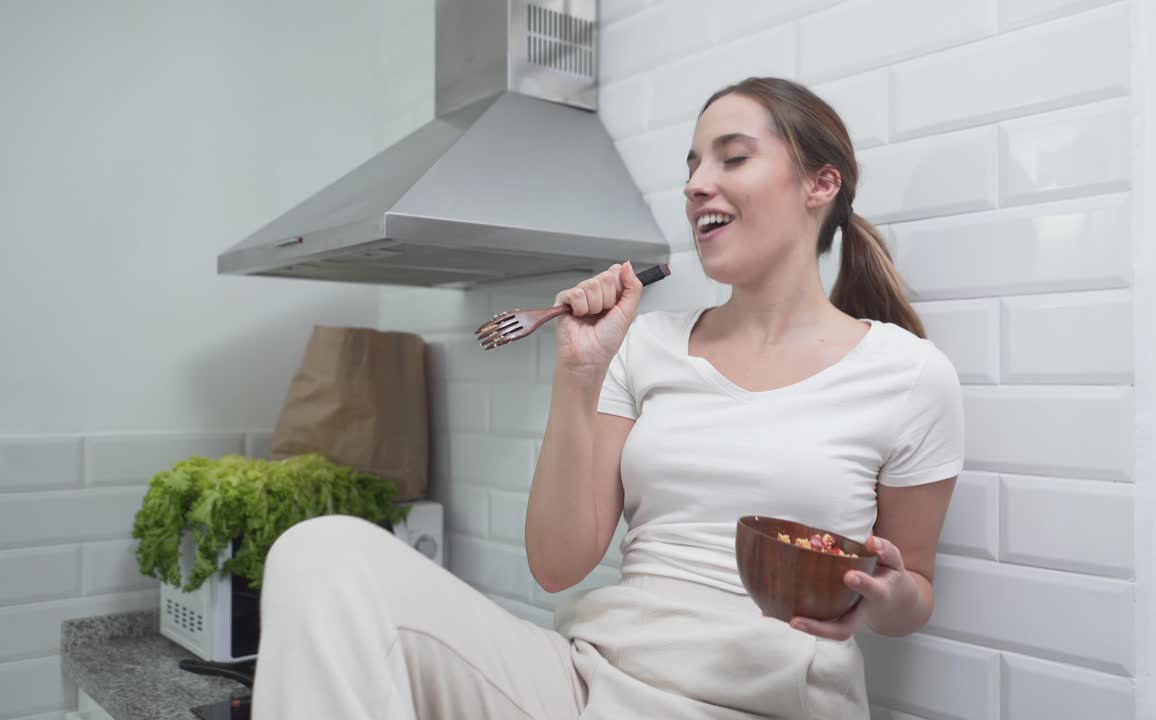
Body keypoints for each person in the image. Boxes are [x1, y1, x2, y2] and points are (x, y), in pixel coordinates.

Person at [252, 76, 964, 720]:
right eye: (691, 165)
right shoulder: (647, 346)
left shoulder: (907, 374)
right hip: (592, 682)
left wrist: (889, 597)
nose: (696, 184)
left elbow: (916, 590)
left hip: (766, 698)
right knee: (321, 551)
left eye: (732, 158)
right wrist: (582, 370)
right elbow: (558, 564)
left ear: (820, 185)